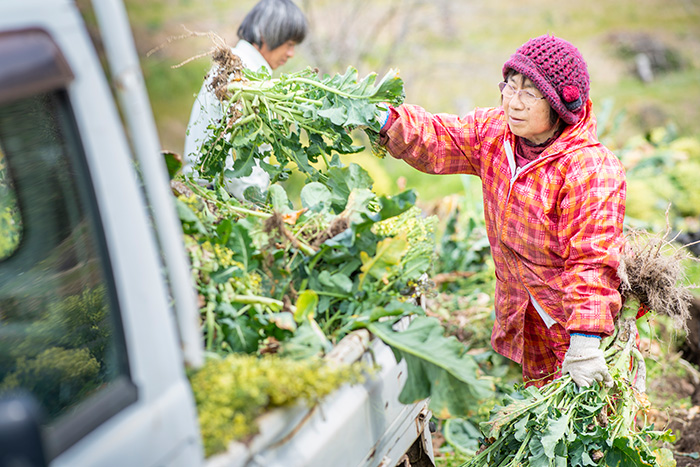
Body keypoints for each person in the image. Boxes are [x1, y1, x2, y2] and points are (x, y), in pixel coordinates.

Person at [377, 35, 626, 388]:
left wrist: (586, 340)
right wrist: (384, 120)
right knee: (535, 411)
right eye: (510, 86)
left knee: (585, 419)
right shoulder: (495, 135)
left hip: (569, 323)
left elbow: (591, 260)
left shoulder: (589, 169)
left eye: (529, 93)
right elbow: (438, 138)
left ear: (559, 105)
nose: (514, 103)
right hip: (520, 311)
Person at [183, 0, 308, 200]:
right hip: (216, 198)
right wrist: (257, 205)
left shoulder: (243, 67)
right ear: (268, 34)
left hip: (212, 193)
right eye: (289, 44)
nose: (291, 53)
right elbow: (238, 164)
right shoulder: (241, 74)